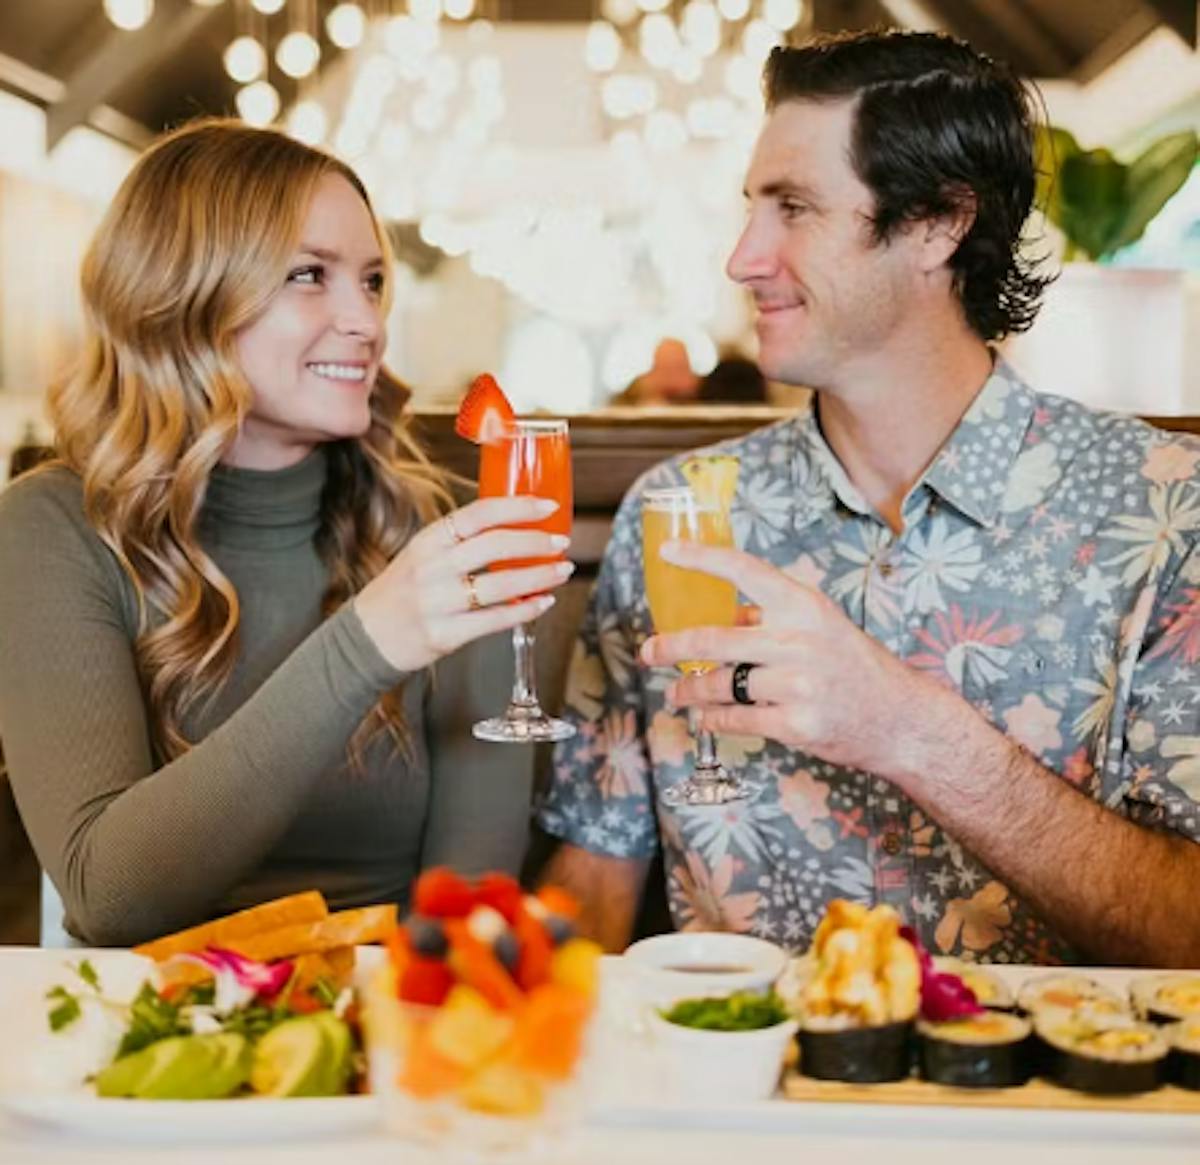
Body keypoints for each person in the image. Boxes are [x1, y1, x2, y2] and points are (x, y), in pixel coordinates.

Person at [537, 30, 1200, 967]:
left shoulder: (1168, 511)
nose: (742, 257)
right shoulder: (677, 514)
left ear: (938, 223)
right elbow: (593, 881)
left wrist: (908, 731)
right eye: (752, 209)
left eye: (794, 208)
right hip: (737, 1094)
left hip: (1050, 1105)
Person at [0, 119, 572, 946]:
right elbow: (110, 899)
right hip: (152, 1042)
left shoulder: (436, 533)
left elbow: (469, 907)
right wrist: (366, 643)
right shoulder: (53, 530)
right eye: (310, 276)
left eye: (373, 282)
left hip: (385, 1028)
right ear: (184, 295)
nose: (366, 323)